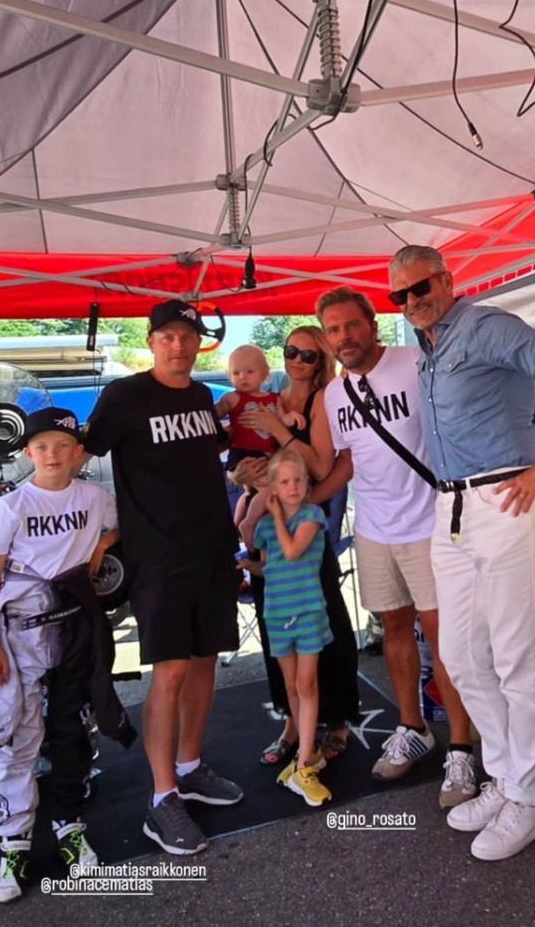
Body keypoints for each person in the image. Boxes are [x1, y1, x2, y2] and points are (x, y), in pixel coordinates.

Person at [388, 245, 535, 861]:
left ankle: (529, 798)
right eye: (399, 295)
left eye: (420, 287)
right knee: (460, 654)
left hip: (506, 498)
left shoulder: (485, 326)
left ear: (446, 280)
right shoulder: (427, 348)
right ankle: (505, 777)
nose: (411, 302)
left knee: (512, 654)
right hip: (452, 508)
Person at [81, 300, 243, 856]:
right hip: (158, 559)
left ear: (199, 344)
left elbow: (208, 459)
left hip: (213, 551)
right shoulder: (125, 396)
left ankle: (190, 766)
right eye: (167, 336)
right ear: (151, 341)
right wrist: (20, 516)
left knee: (204, 662)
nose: (178, 345)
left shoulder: (200, 397)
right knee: (170, 671)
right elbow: (77, 459)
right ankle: (162, 797)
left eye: (187, 336)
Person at [314, 286, 475, 811]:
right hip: (375, 529)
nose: (344, 336)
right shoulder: (334, 394)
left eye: (351, 325)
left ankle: (461, 747)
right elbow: (349, 460)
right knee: (395, 631)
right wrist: (307, 500)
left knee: (445, 639)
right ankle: (413, 728)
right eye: (333, 330)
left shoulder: (414, 362)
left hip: (430, 525)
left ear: (372, 324)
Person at [0, 407, 121, 903]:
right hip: (21, 636)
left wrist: (98, 551)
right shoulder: (14, 505)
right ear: (27, 452)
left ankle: (68, 825)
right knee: (20, 735)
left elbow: (117, 526)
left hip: (73, 630)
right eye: (41, 447)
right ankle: (13, 841)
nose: (52, 455)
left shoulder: (94, 498)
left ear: (78, 452)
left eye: (62, 446)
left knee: (72, 731)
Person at [231, 325, 360, 764]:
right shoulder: (269, 397)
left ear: (322, 359)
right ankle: (291, 720)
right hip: (267, 522)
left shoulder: (322, 399)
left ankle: (337, 717)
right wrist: (242, 477)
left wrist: (277, 429)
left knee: (326, 619)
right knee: (274, 624)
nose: (298, 361)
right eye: (291, 351)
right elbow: (243, 452)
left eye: (309, 354)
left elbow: (323, 466)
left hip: (304, 525)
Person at [242, 447, 333, 806]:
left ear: (307, 483)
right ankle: (307, 754)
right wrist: (248, 565)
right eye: (283, 482)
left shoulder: (312, 515)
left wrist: (278, 515)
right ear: (272, 488)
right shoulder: (267, 527)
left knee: (307, 684)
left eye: (298, 480)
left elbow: (293, 551)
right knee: (292, 685)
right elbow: (271, 565)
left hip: (307, 610)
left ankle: (305, 762)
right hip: (278, 612)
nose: (292, 486)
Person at [216, 344, 304, 531]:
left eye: (249, 371)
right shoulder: (232, 398)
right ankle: (248, 524)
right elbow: (215, 413)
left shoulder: (274, 399)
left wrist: (291, 417)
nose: (242, 377)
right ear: (229, 375)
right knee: (269, 489)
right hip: (243, 453)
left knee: (252, 492)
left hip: (267, 455)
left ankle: (238, 526)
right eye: (236, 373)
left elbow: (282, 418)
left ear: (265, 374)